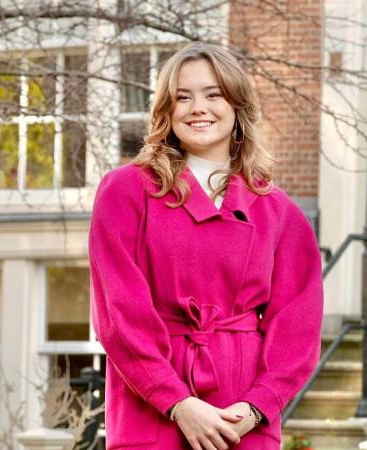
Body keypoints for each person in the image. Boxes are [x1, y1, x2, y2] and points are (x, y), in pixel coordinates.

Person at [88, 41, 324, 450]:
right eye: (183, 97)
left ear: (237, 107)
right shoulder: (126, 191)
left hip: (242, 415)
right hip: (151, 405)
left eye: (213, 94)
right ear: (166, 110)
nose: (198, 108)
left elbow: (298, 330)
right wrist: (177, 402)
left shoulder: (278, 211)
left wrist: (254, 409)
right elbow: (118, 313)